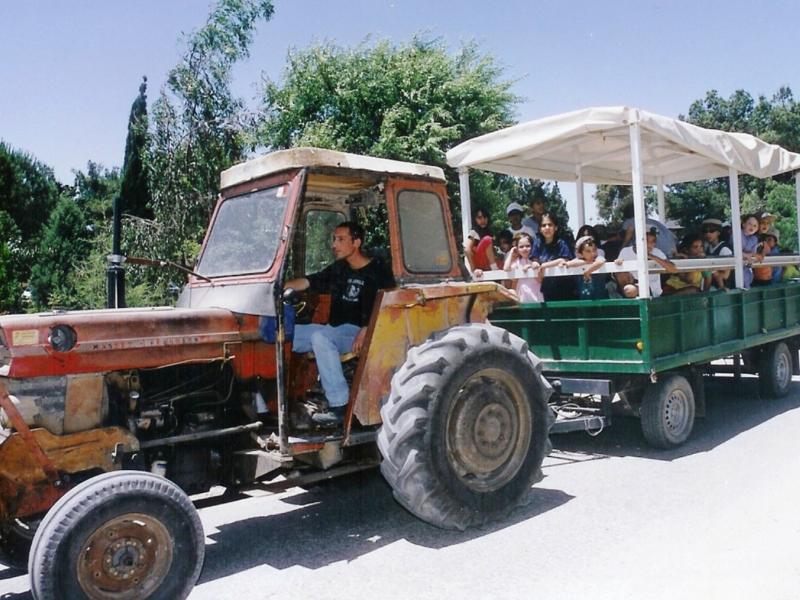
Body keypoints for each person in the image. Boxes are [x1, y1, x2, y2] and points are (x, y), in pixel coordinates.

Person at [284, 221, 395, 425]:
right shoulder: (339, 268)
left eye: (340, 239)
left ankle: (340, 406)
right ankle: (271, 402)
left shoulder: (378, 270)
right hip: (334, 330)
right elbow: (309, 281)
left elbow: (388, 305)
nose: (334, 245)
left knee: (321, 337)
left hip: (359, 332)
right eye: (334, 239)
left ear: (357, 242)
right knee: (284, 332)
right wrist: (276, 286)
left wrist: (366, 329)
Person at [615, 227, 677, 298]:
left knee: (630, 290)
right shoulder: (625, 251)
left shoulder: (657, 252)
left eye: (653, 241)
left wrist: (652, 257)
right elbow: (619, 271)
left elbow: (673, 269)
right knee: (626, 285)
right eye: (646, 241)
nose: (650, 244)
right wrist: (618, 263)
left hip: (650, 288)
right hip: (631, 283)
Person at [532, 212, 575, 300]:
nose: (547, 228)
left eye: (550, 225)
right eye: (543, 225)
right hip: (546, 288)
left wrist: (544, 265)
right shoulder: (537, 243)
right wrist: (535, 264)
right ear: (540, 229)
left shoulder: (561, 243)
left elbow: (565, 260)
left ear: (556, 227)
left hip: (564, 287)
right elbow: (535, 259)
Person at [566, 235, 623, 300]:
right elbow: (568, 264)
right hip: (583, 302)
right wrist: (586, 262)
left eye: (594, 250)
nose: (592, 253)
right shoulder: (578, 261)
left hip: (600, 300)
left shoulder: (599, 258)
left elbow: (601, 261)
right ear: (580, 253)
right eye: (588, 251)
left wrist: (588, 271)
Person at [503, 232, 543, 302]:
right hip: (522, 297)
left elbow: (540, 280)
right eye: (521, 247)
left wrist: (531, 266)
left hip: (536, 296)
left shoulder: (535, 261)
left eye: (528, 246)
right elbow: (506, 268)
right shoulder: (517, 262)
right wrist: (511, 252)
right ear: (517, 248)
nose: (525, 249)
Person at [465, 206, 497, 275]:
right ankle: (495, 270)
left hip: (487, 264)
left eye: (485, 217)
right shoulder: (473, 232)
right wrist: (473, 270)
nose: (483, 220)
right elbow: (467, 250)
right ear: (475, 219)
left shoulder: (490, 232)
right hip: (478, 264)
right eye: (479, 218)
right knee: (487, 240)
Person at [702, 217, 732, 290]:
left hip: (722, 289)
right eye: (705, 231)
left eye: (711, 231)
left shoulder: (724, 249)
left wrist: (711, 267)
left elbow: (726, 275)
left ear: (718, 232)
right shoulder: (707, 248)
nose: (708, 233)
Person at [740, 214, 764, 288]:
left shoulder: (754, 239)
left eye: (755, 225)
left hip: (746, 270)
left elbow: (752, 257)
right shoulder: (737, 234)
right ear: (743, 224)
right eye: (750, 224)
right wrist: (746, 255)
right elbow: (734, 252)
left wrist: (756, 256)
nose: (752, 227)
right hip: (734, 270)